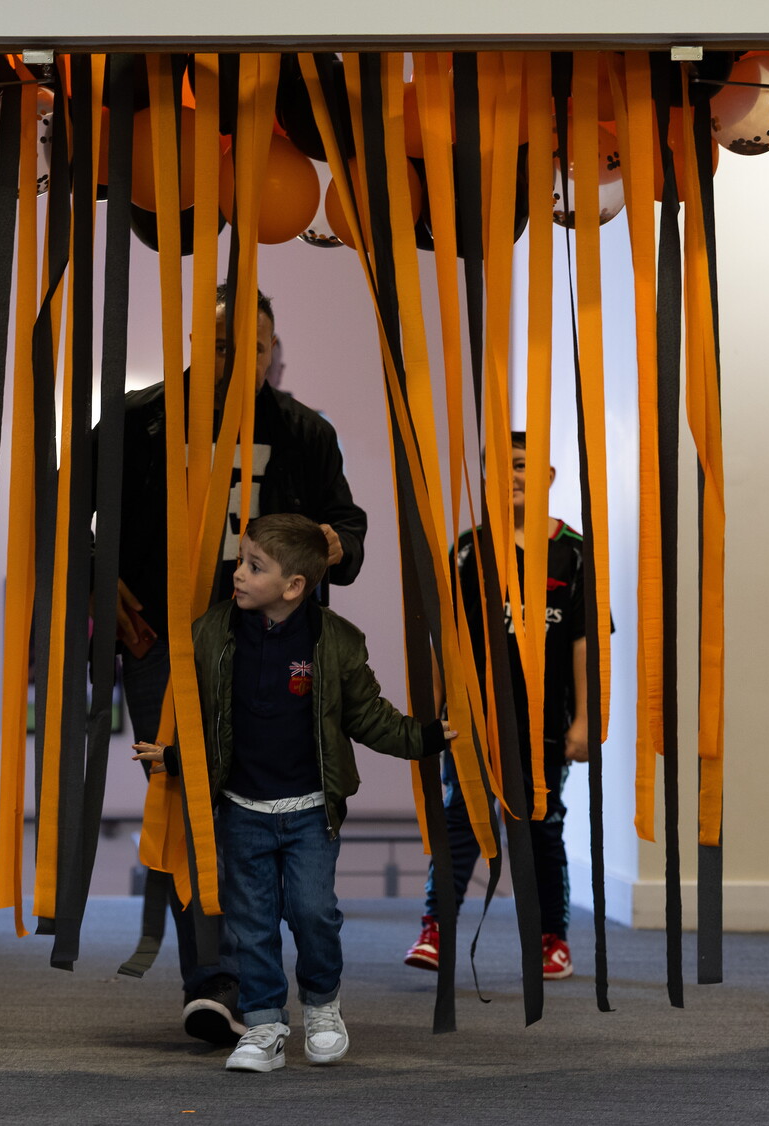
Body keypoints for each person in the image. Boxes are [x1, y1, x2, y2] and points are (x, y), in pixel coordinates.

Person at [92, 284, 368, 1045]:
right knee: (187, 802)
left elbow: (348, 527)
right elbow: (59, 505)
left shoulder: (306, 434)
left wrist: (332, 545)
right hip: (167, 645)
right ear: (191, 344)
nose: (238, 357)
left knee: (268, 807)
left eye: (253, 346)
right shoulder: (138, 421)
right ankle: (215, 984)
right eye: (220, 343)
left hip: (276, 651)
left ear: (270, 353)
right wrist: (97, 574)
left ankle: (271, 980)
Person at [133, 514, 455, 1071]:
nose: (238, 574)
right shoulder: (213, 633)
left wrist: (423, 738)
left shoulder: (336, 642)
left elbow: (367, 716)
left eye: (253, 566)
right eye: (240, 560)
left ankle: (323, 1006)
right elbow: (212, 722)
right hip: (242, 811)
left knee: (313, 913)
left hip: (310, 814)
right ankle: (262, 1026)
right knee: (250, 923)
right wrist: (177, 759)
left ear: (294, 586)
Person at [404, 431, 589, 980]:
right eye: (499, 467)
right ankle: (438, 930)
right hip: (471, 724)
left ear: (549, 476)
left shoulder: (575, 553)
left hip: (545, 726)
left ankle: (551, 938)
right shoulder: (469, 549)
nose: (511, 476)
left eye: (522, 464)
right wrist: (432, 712)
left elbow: (585, 644)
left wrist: (584, 719)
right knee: (460, 823)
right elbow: (447, 642)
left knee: (541, 828)